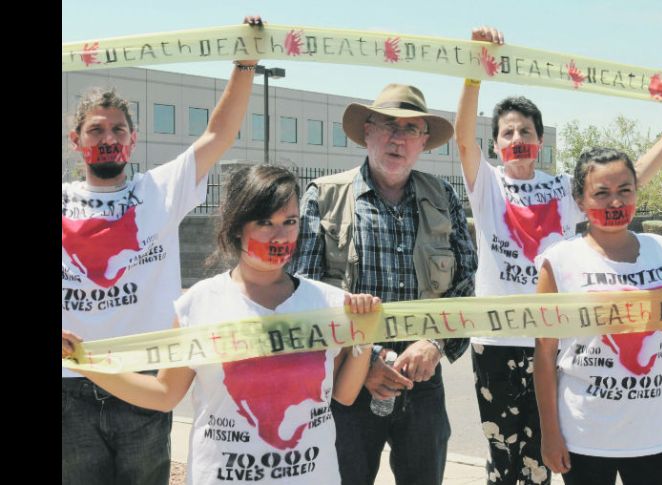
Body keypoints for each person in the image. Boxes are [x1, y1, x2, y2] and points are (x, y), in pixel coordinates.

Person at [454, 26, 662, 485]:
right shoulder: (487, 185)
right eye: (507, 132)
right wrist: (475, 70)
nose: (517, 138)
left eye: (526, 131)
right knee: (508, 466)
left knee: (557, 459)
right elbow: (463, 140)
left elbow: (633, 177)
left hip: (557, 347)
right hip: (498, 344)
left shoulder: (561, 187)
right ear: (495, 145)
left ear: (540, 139)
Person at [62, 165, 381, 485]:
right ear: (237, 227)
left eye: (290, 222)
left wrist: (362, 338)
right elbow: (164, 394)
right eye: (265, 222)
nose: (280, 235)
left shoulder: (327, 303)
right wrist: (86, 364)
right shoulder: (200, 303)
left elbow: (344, 395)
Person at [61, 15, 266, 485]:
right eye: (96, 130)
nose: (108, 138)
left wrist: (245, 62)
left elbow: (219, 135)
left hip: (146, 378)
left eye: (117, 130)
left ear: (132, 140)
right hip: (70, 382)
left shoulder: (160, 190)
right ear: (77, 142)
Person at [287, 83, 478, 485]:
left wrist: (435, 343)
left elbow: (465, 283)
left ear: (423, 142)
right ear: (367, 131)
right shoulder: (322, 197)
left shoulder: (444, 197)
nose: (398, 138)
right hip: (347, 382)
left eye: (411, 129)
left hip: (422, 381)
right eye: (389, 125)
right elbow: (302, 293)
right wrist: (367, 359)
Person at [532, 147, 662, 485]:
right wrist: (549, 434)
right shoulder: (559, 262)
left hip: (652, 437)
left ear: (637, 194)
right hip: (583, 436)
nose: (615, 203)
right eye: (602, 193)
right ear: (581, 202)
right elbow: (544, 356)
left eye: (624, 191)